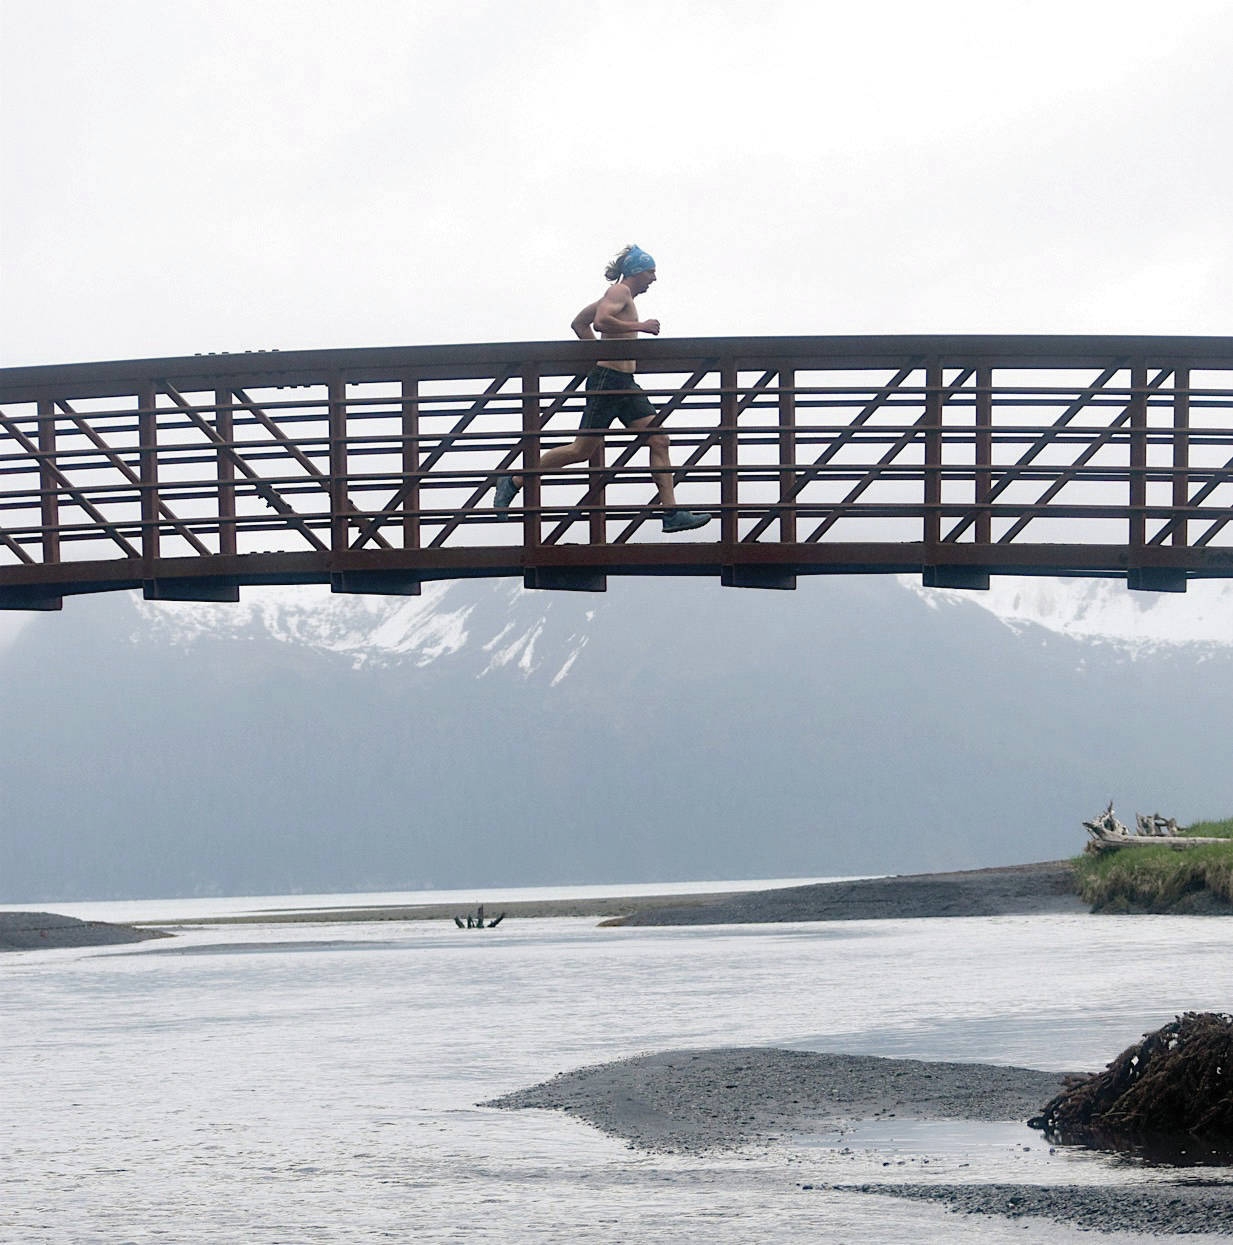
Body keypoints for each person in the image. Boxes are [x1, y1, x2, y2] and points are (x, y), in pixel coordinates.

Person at [493, 245, 711, 533]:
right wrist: (641, 327)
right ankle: (514, 480)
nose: (654, 279)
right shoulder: (619, 293)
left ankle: (670, 513)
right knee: (581, 450)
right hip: (608, 381)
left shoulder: (617, 295)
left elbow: (579, 323)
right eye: (651, 272)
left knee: (659, 440)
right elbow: (599, 321)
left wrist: (598, 350)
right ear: (636, 271)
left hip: (624, 384)